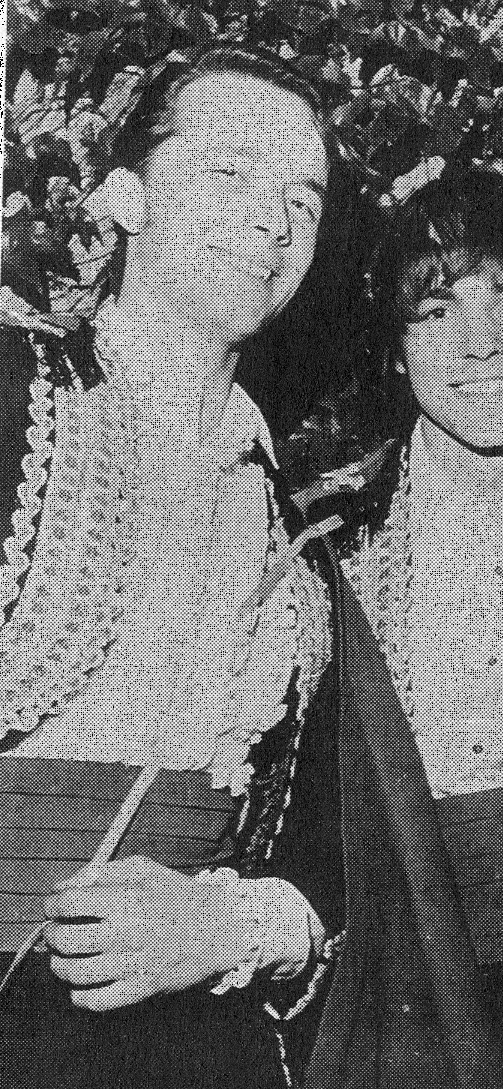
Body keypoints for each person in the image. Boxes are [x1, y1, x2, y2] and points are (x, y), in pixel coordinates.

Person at [0, 43, 346, 1089]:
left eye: (304, 199)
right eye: (230, 172)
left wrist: (225, 926)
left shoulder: (299, 524)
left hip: (200, 1049)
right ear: (126, 196)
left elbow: (327, 845)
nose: (272, 220)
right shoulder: (14, 393)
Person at [299, 170, 503, 1089]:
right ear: (396, 345)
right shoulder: (329, 547)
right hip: (409, 1000)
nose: (481, 343)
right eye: (438, 310)